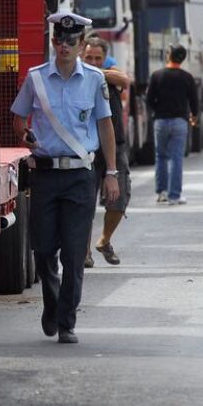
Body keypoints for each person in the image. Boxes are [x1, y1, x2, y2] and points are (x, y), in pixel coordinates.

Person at [11, 12, 119, 344]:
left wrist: (111, 172)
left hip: (79, 176)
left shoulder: (95, 79)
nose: (65, 47)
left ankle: (66, 321)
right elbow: (17, 117)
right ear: (54, 41)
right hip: (45, 175)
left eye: (72, 42)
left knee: (74, 254)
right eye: (59, 41)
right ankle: (52, 301)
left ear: (81, 43)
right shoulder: (36, 78)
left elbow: (105, 126)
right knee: (43, 250)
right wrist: (24, 135)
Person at [82, 36, 131, 267]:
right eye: (88, 58)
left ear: (105, 59)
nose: (92, 62)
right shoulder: (76, 78)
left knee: (118, 199)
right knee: (84, 204)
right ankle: (84, 252)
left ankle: (104, 240)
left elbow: (125, 79)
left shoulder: (108, 75)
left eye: (97, 58)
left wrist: (99, 72)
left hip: (115, 146)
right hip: (87, 148)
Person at [146, 44, 199, 205]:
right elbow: (194, 101)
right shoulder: (187, 77)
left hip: (161, 121)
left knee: (161, 156)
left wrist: (157, 111)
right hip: (180, 122)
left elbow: (149, 100)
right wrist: (193, 116)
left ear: (168, 55)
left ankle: (161, 192)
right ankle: (175, 195)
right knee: (177, 158)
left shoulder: (157, 76)